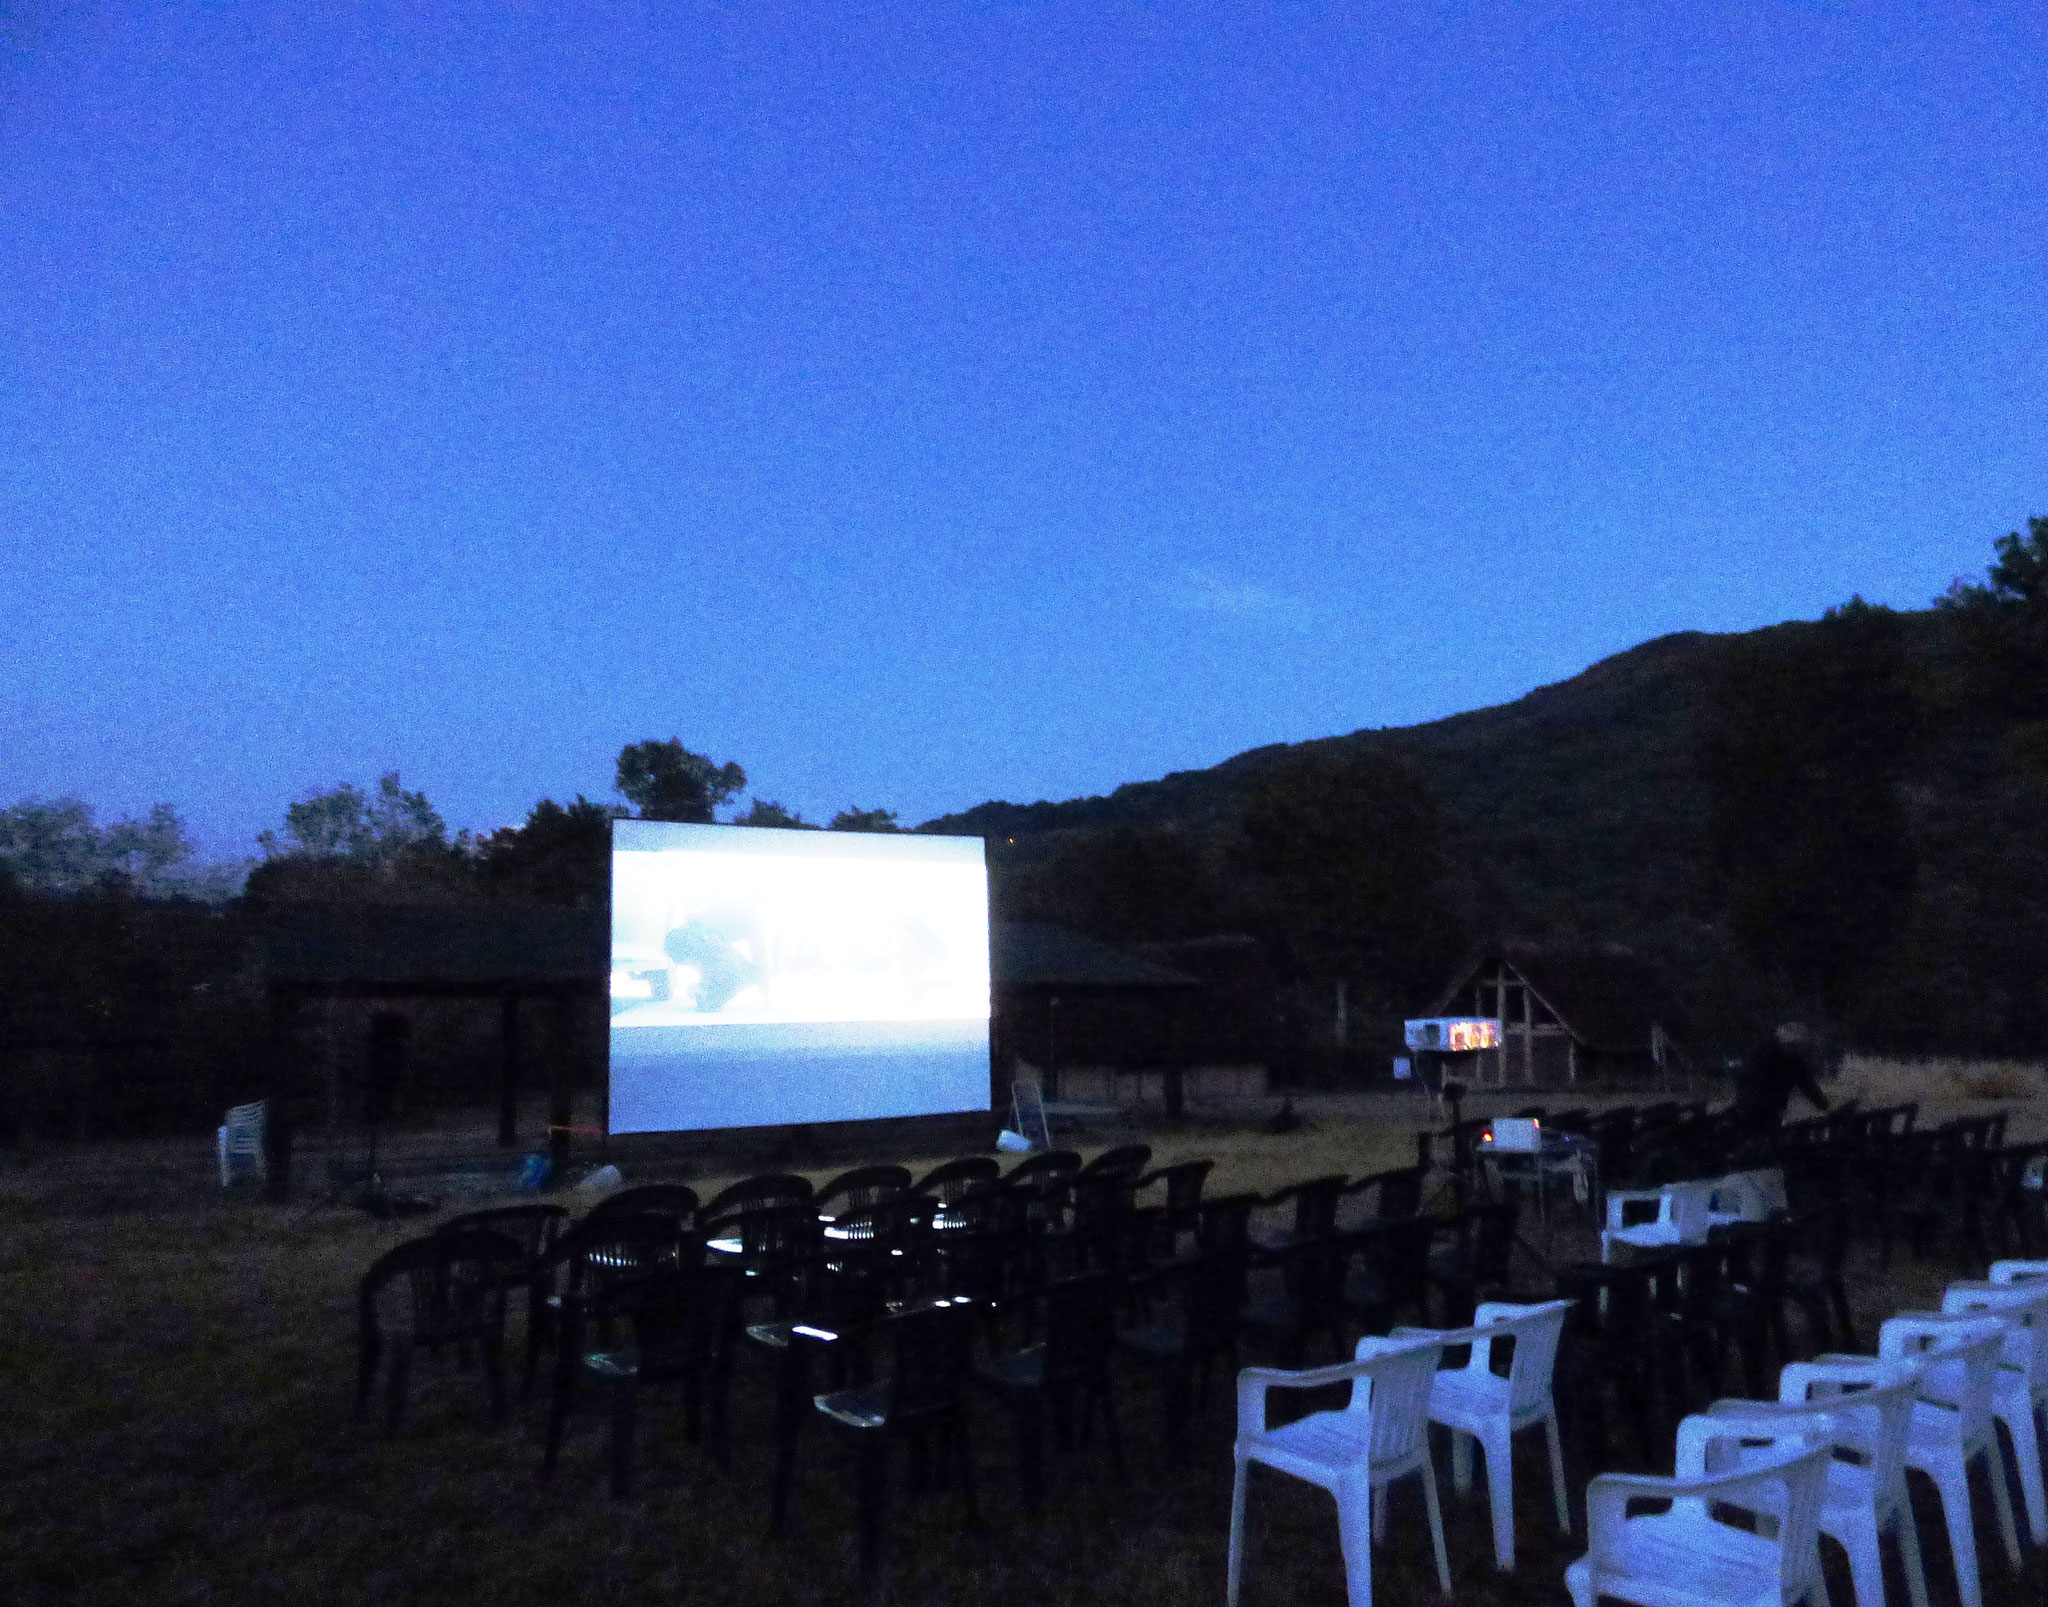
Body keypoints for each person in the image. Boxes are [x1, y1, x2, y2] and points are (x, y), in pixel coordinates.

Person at [1733, 1022, 1831, 1134]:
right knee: (1756, 1136)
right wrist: (1756, 1104)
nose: (1796, 1050)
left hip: (1773, 1109)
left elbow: (1808, 1085)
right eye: (1793, 1046)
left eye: (1799, 1047)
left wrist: (1824, 1105)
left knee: (1770, 1136)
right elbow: (1750, 1082)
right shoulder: (1763, 1056)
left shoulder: (1795, 1063)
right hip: (1754, 1107)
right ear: (1784, 1043)